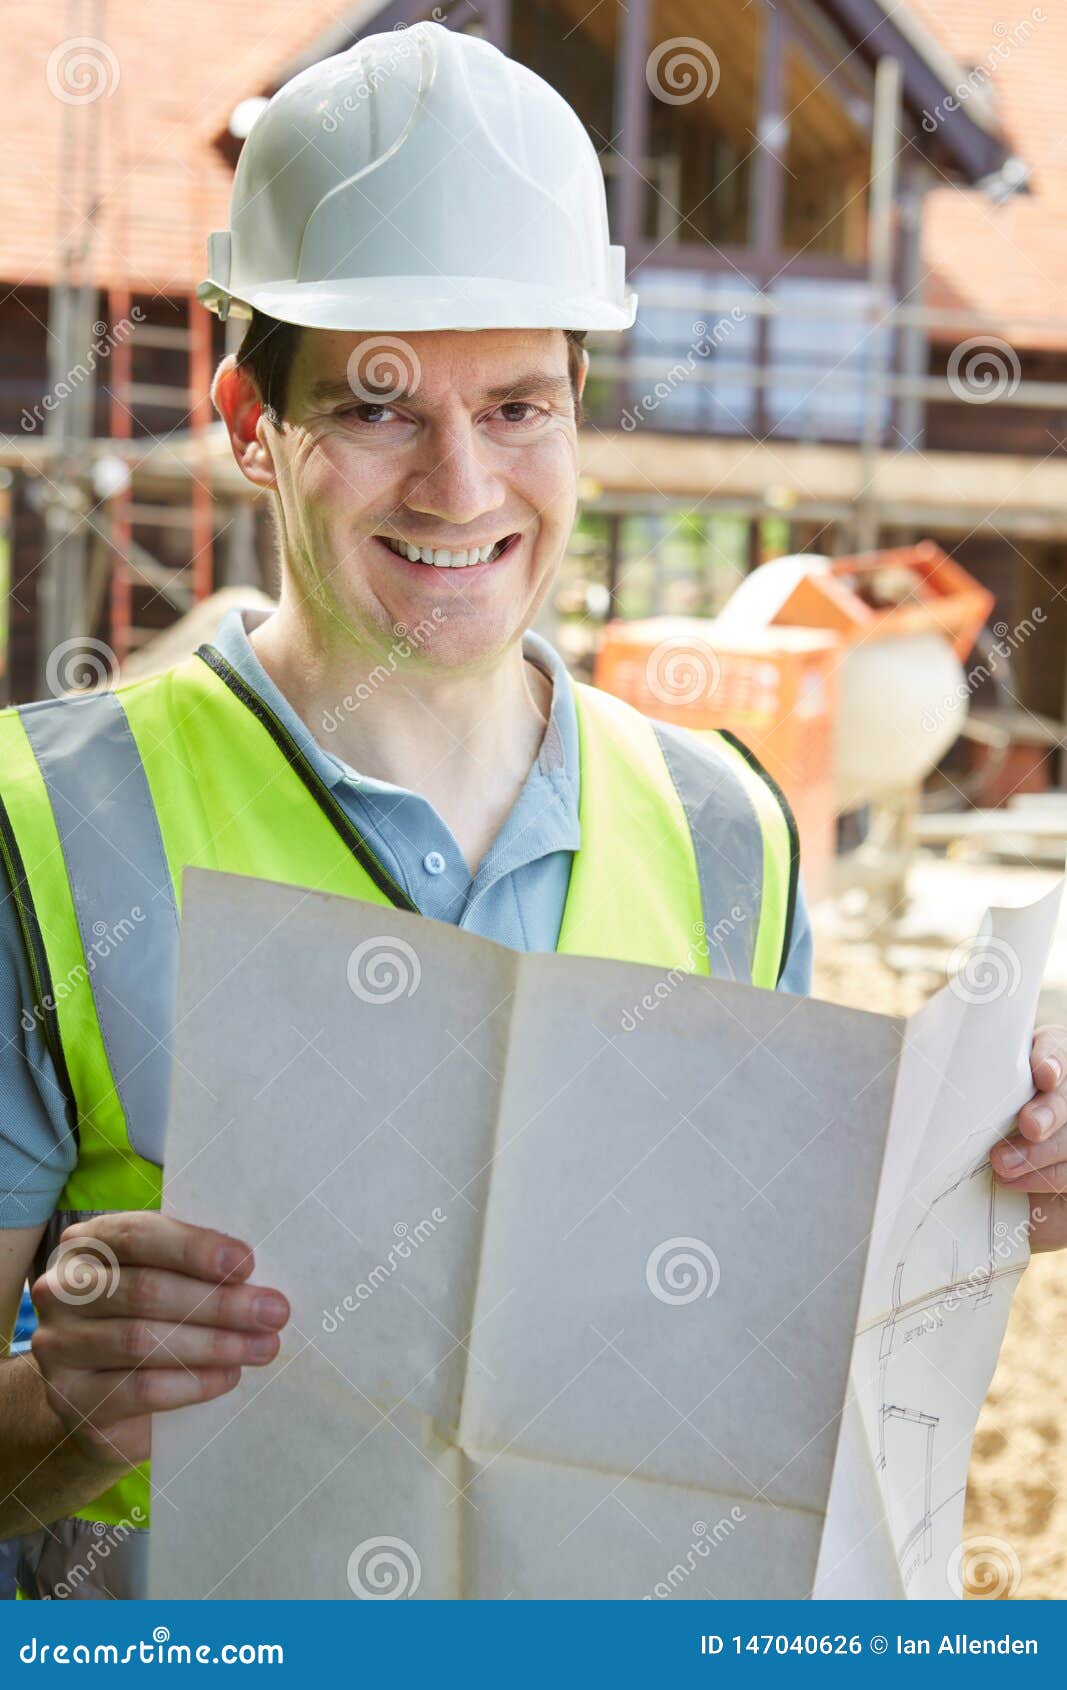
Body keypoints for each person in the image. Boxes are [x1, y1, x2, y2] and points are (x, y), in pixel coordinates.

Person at [1, 21, 1064, 1603]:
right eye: (377, 407)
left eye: (515, 406)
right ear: (245, 422)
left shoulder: (728, 833)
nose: (460, 485)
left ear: (579, 410)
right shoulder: (47, 826)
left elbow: (751, 1367)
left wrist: (984, 1204)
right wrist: (68, 1411)